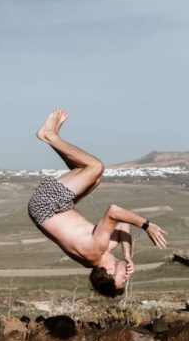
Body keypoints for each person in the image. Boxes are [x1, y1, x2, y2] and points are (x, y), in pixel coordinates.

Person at [29, 108, 168, 297]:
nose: (126, 278)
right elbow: (122, 223)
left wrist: (146, 225)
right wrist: (127, 256)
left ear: (110, 273)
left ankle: (50, 137)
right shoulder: (100, 254)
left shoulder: (96, 249)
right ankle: (52, 137)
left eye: (122, 280)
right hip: (55, 208)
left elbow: (113, 211)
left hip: (47, 205)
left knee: (95, 166)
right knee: (93, 178)